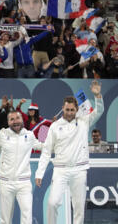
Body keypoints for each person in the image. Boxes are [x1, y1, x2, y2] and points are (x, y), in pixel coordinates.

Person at [36, 80, 104, 224]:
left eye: (72, 110)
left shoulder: (84, 121)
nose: (69, 113)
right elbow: (47, 151)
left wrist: (97, 96)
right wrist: (39, 173)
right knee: (52, 203)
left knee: (78, 207)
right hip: (60, 170)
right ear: (63, 108)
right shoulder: (55, 126)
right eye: (67, 110)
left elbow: (100, 111)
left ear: (76, 109)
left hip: (80, 169)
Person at [0, 111, 42, 224]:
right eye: (11, 119)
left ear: (22, 120)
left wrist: (59, 146)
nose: (15, 121)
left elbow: (43, 147)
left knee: (27, 216)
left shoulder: (29, 135)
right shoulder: (3, 134)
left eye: (17, 118)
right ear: (8, 122)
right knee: (5, 219)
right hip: (6, 183)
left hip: (24, 183)